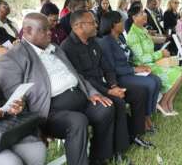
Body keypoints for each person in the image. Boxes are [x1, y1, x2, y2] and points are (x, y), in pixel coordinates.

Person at [0, 13, 116, 165]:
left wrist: (92, 92)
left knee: (106, 108)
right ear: (27, 31)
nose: (49, 32)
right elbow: (13, 100)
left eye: (49, 28)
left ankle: (98, 158)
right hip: (49, 111)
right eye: (44, 30)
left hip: (80, 98)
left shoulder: (55, 48)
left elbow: (75, 74)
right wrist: (35, 130)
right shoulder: (13, 58)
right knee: (77, 121)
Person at [61, 10, 154, 153]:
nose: (96, 25)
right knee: (118, 102)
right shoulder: (67, 47)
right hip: (89, 91)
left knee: (139, 92)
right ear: (78, 26)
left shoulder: (93, 42)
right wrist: (109, 91)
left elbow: (107, 67)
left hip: (105, 85)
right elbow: (82, 79)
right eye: (92, 23)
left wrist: (114, 85)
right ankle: (119, 149)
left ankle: (135, 134)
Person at [99, 11, 162, 133]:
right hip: (119, 76)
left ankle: (147, 115)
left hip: (129, 71)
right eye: (120, 21)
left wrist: (139, 65)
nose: (124, 23)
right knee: (150, 83)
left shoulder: (121, 37)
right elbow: (111, 68)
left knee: (156, 80)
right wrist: (134, 69)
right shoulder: (106, 42)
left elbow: (129, 56)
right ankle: (145, 120)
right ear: (113, 24)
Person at [127, 5, 182, 116]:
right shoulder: (133, 35)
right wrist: (160, 53)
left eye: (144, 12)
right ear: (134, 18)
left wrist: (161, 53)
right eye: (140, 14)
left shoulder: (142, 30)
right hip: (143, 67)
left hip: (152, 63)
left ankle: (168, 101)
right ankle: (163, 102)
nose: (144, 15)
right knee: (177, 74)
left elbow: (151, 48)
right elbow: (141, 58)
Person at [0, 64, 46, 165]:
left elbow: (0, 101)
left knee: (37, 150)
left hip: (0, 130)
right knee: (10, 162)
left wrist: (11, 108)